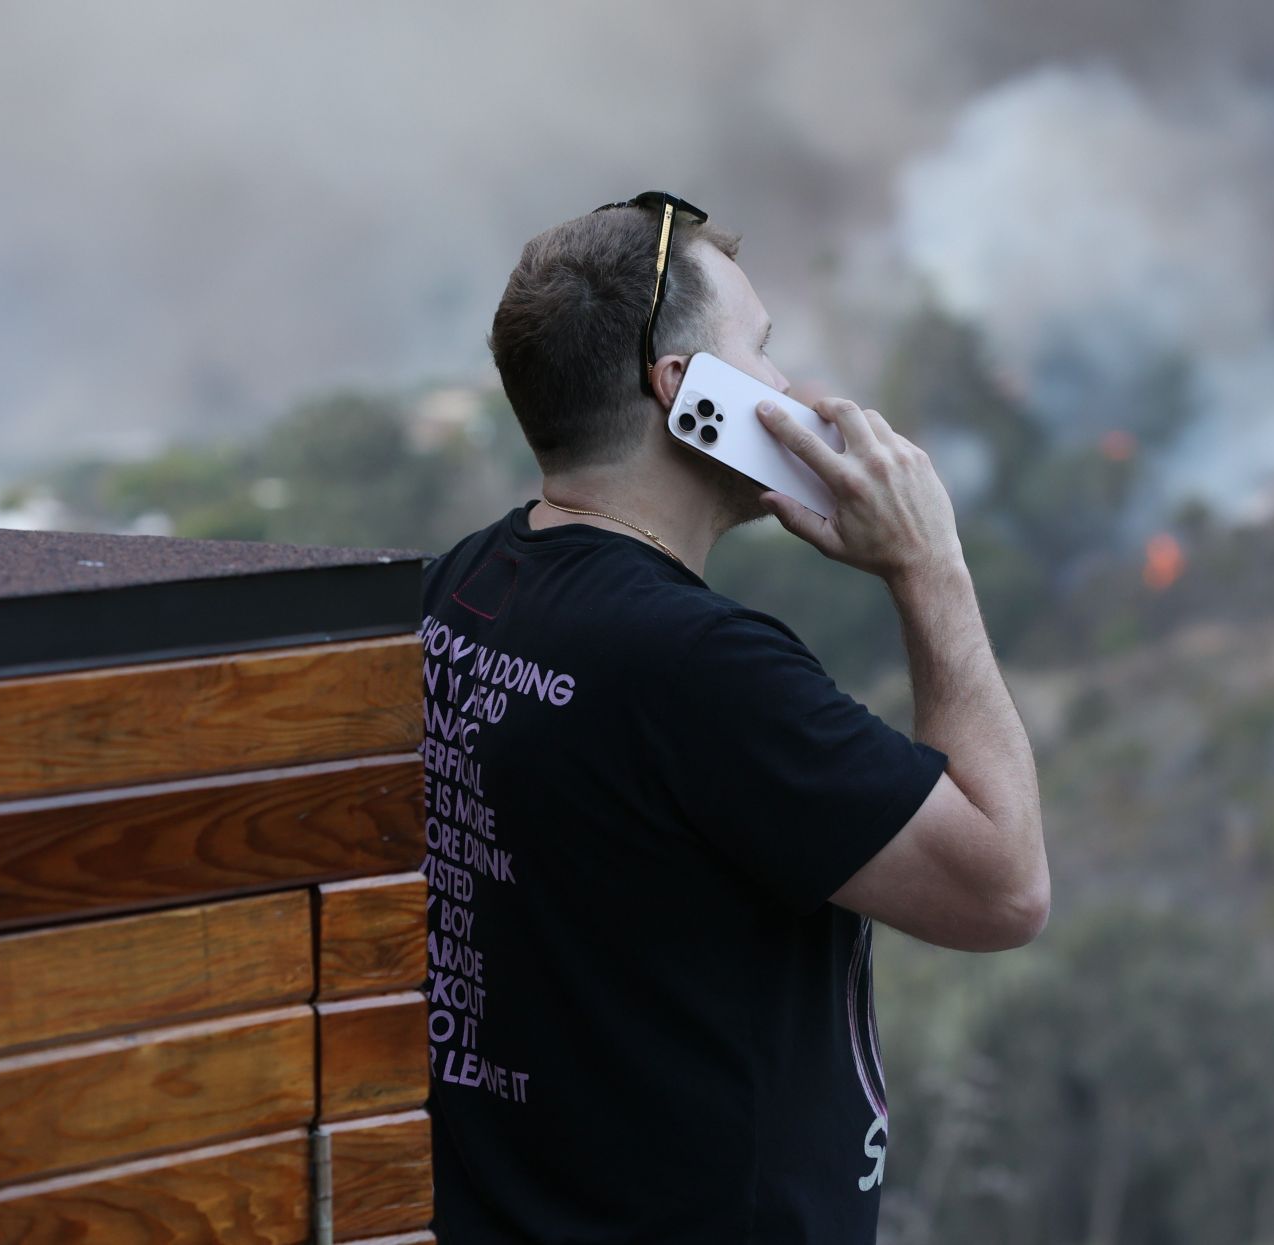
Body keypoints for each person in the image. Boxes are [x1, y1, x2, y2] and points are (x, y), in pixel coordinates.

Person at [418, 192, 1047, 1243]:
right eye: (759, 351)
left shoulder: (458, 589)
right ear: (683, 390)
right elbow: (1004, 889)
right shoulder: (700, 668)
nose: (790, 391)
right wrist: (929, 568)